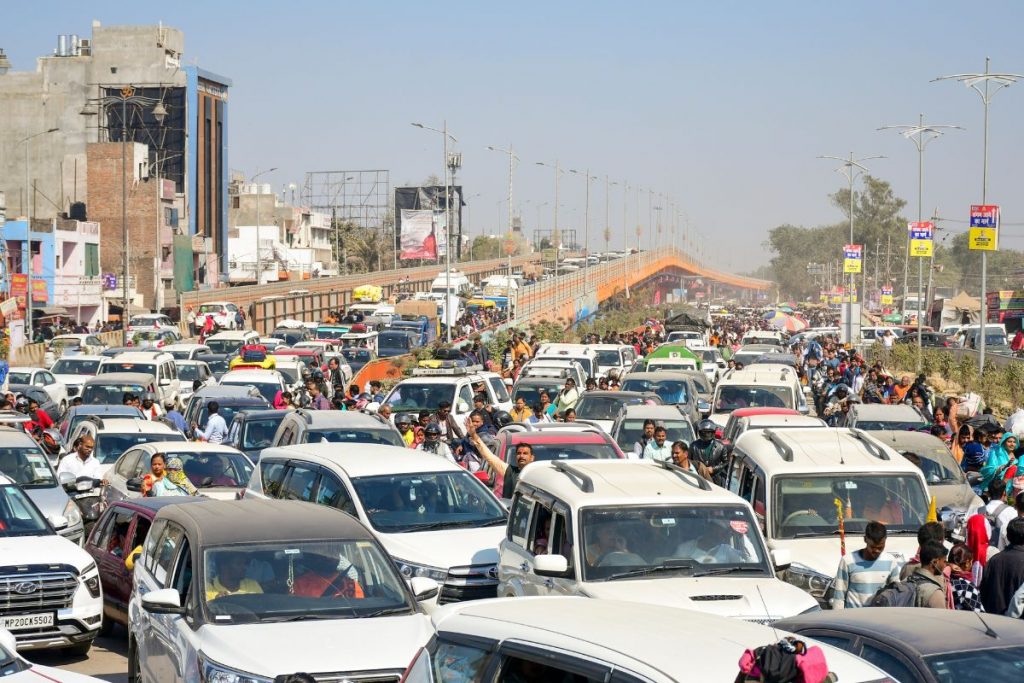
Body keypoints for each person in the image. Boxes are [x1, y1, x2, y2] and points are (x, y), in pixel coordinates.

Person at [831, 522, 902, 610]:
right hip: (853, 619)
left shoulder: (891, 561)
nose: (876, 551)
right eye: (872, 547)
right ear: (865, 539)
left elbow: (896, 594)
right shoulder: (848, 561)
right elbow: (839, 596)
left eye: (880, 547)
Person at [980, 518, 1024, 615]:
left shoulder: (994, 560)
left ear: (1007, 536)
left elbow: (983, 593)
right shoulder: (994, 560)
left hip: (994, 622)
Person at [475, 433, 533, 499]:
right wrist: (474, 435)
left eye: (525, 453)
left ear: (532, 458)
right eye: (519, 453)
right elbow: (489, 457)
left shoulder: (539, 474)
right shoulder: (510, 472)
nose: (521, 456)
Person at [908, 542, 950, 609]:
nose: (945, 565)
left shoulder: (907, 580)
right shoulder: (935, 593)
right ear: (935, 562)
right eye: (944, 561)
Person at [690, 420, 729, 486]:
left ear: (713, 432)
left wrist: (714, 469)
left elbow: (726, 463)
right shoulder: (694, 446)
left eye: (709, 432)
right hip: (698, 478)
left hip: (716, 480)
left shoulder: (721, 447)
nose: (706, 434)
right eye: (704, 432)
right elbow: (689, 462)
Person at [948, 543, 984, 612]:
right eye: (971, 561)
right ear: (967, 563)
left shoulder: (945, 577)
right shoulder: (966, 586)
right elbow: (979, 613)